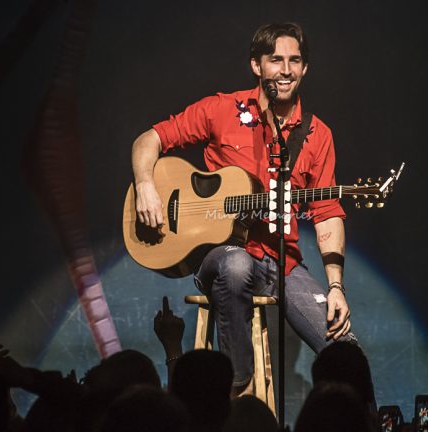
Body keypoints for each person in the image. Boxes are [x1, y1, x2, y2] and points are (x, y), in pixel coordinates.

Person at [132, 22, 355, 396]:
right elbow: (149, 140)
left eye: (295, 61)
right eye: (276, 60)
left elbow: (326, 211)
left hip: (281, 263)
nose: (286, 70)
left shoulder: (317, 135)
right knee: (235, 263)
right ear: (257, 66)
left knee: (348, 356)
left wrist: (336, 286)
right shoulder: (221, 109)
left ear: (304, 69)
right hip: (219, 257)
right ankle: (238, 387)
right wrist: (145, 188)